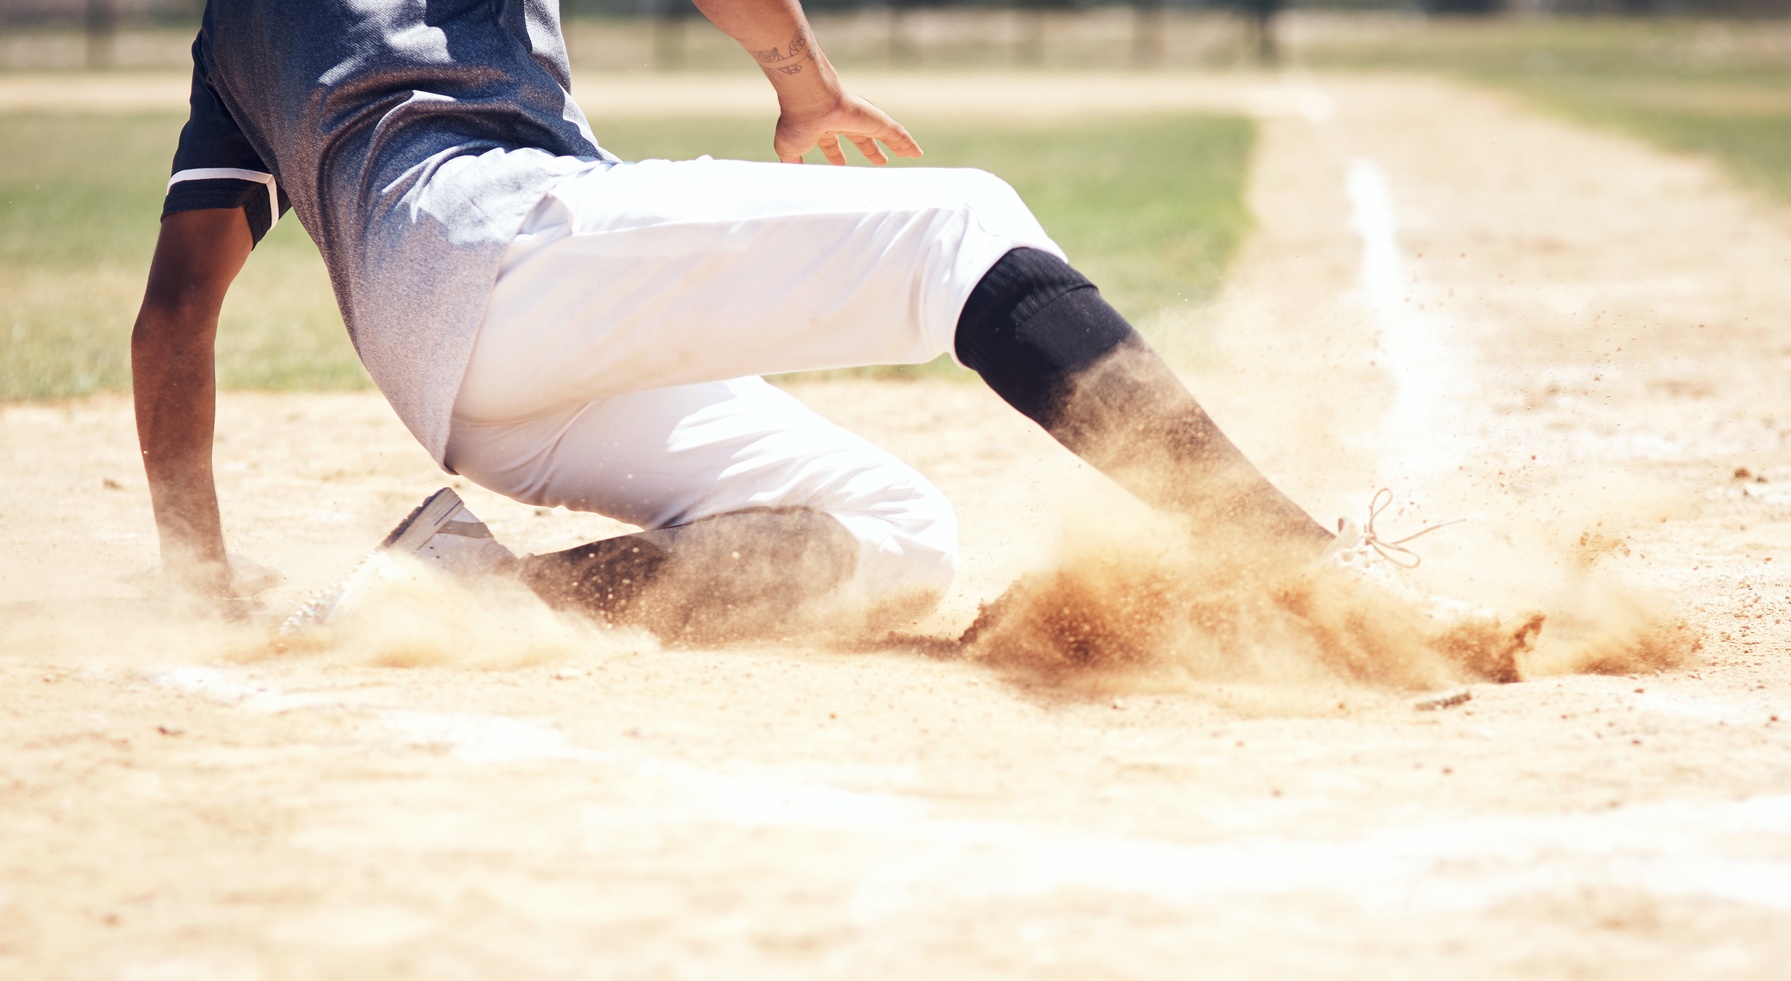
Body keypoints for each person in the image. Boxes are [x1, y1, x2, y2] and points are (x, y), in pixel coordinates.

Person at [134, 0, 1332, 644]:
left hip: (457, 381)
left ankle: (468, 590)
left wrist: (197, 565)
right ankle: (1296, 560)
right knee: (964, 223)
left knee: (900, 531)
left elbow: (176, 314)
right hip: (509, 246)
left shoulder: (233, 30)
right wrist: (804, 85)